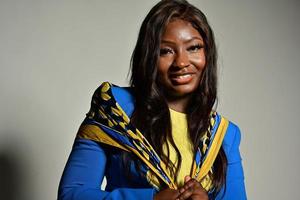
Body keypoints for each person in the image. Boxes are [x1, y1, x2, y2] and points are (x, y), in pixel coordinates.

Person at [58, 0, 247, 199]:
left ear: (207, 53)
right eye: (166, 51)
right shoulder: (114, 110)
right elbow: (72, 194)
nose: (181, 62)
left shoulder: (224, 134)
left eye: (193, 48)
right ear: (148, 56)